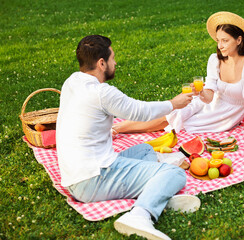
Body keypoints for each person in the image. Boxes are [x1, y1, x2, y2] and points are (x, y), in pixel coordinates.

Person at [56, 35, 201, 240]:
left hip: (76, 173)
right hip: (92, 179)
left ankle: (157, 194)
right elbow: (139, 111)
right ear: (101, 63)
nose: (116, 63)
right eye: (113, 58)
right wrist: (173, 103)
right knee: (174, 174)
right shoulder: (102, 92)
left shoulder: (72, 81)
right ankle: (140, 215)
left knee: (145, 150)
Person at [112, 12, 244, 144]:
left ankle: (116, 129)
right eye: (218, 40)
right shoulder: (215, 59)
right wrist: (199, 92)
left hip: (225, 114)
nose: (220, 45)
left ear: (239, 40)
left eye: (225, 40)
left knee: (170, 120)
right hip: (209, 104)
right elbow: (208, 98)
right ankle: (116, 129)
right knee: (172, 113)